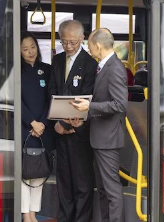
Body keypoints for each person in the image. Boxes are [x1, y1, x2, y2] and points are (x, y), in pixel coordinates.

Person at [70, 28, 128, 222]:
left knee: (111, 190)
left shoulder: (115, 68)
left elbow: (120, 104)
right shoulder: (104, 65)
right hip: (101, 137)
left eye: (89, 44)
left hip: (108, 139)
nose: (88, 48)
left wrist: (90, 106)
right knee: (103, 189)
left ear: (97, 45)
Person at [48, 20, 97, 222]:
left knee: (82, 183)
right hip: (59, 129)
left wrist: (68, 124)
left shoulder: (90, 63)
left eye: (72, 43)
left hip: (80, 131)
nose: (68, 46)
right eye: (64, 42)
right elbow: (52, 91)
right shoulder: (58, 60)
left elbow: (87, 95)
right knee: (64, 181)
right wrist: (57, 124)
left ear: (82, 38)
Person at [20, 31, 54, 222]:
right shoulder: (15, 70)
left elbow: (51, 99)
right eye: (25, 49)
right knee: (25, 172)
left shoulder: (46, 69)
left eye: (33, 47)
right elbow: (15, 101)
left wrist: (42, 123)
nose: (30, 52)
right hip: (26, 128)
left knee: (40, 172)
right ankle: (26, 215)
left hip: (43, 128)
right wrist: (32, 122)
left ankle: (34, 212)